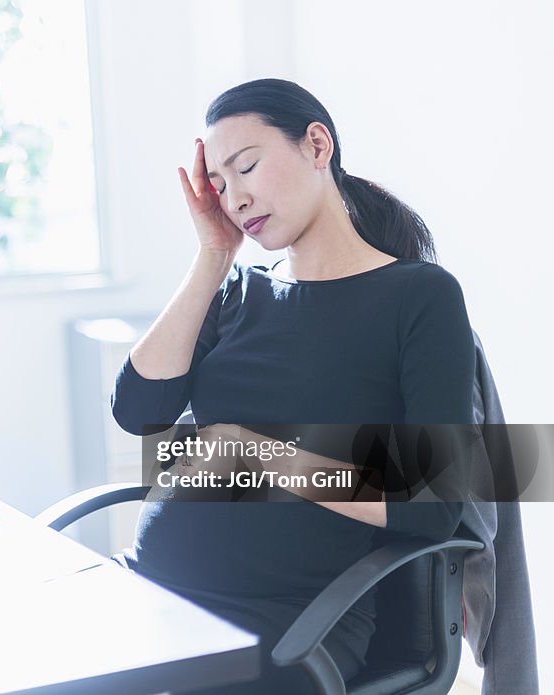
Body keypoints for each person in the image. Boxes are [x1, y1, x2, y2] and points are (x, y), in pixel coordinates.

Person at [109, 78, 475, 693]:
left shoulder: (419, 297)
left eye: (247, 166)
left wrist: (259, 453)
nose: (235, 197)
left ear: (316, 145)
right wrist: (212, 256)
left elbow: (435, 506)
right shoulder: (238, 291)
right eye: (220, 186)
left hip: (284, 624)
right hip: (153, 595)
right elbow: (140, 410)